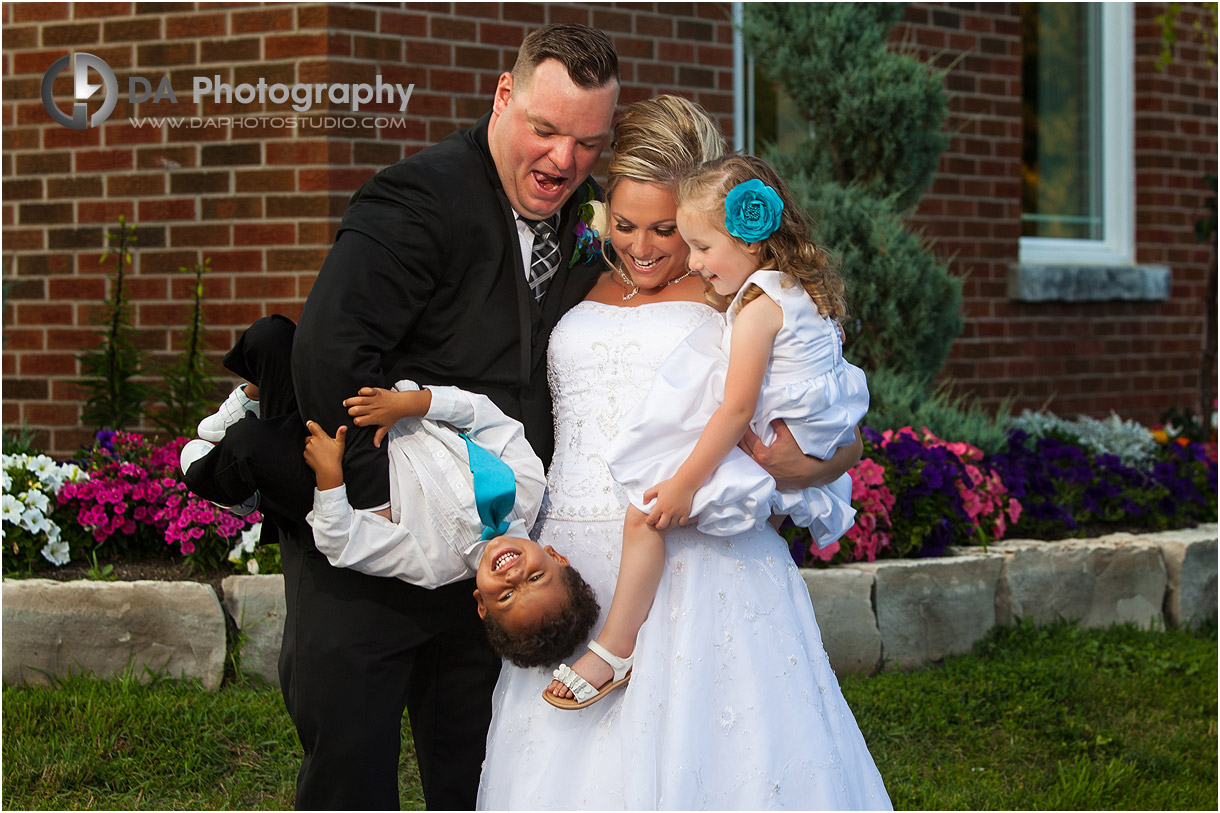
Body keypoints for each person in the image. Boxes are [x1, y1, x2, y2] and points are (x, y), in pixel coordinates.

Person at [183, 24, 621, 810]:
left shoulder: (590, 218)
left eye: (589, 141)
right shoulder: (419, 196)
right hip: (371, 547)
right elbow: (332, 353)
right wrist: (380, 507)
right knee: (352, 763)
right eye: (546, 130)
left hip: (491, 558)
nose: (564, 161)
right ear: (502, 96)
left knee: (478, 768)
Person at [476, 95, 890, 809]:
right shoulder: (578, 280)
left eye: (668, 230)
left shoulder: (739, 293)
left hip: (698, 557)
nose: (641, 248)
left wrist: (816, 463)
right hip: (569, 551)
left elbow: (830, 414)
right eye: (625, 225)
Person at [545, 153, 869, 707]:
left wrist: (685, 483)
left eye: (681, 237)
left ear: (748, 236)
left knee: (645, 515)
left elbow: (738, 409)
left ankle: (615, 647)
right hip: (584, 509)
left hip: (751, 455)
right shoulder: (797, 293)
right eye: (623, 226)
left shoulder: (753, 306)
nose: (692, 262)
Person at [183, 320, 600, 668]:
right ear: (557, 558)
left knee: (249, 445)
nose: (513, 576)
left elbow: (343, 542)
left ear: (482, 604)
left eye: (506, 595)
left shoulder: (434, 565)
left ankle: (227, 486)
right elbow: (485, 416)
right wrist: (412, 404)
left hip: (334, 464)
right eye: (536, 577)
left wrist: (329, 476)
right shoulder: (526, 486)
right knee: (271, 336)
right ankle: (253, 400)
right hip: (385, 411)